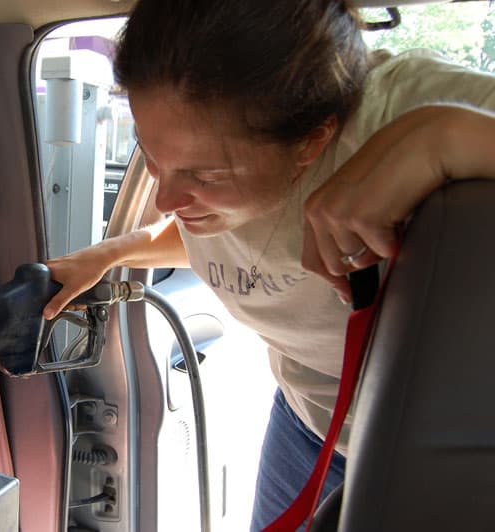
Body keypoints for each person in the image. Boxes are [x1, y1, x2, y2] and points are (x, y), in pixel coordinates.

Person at [41, 0, 495, 529]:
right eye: (152, 156)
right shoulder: (202, 191)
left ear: (313, 142)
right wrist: (110, 253)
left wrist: (442, 136)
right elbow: (218, 239)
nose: (167, 198)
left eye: (206, 176)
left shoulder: (396, 109)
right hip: (305, 421)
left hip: (424, 449)